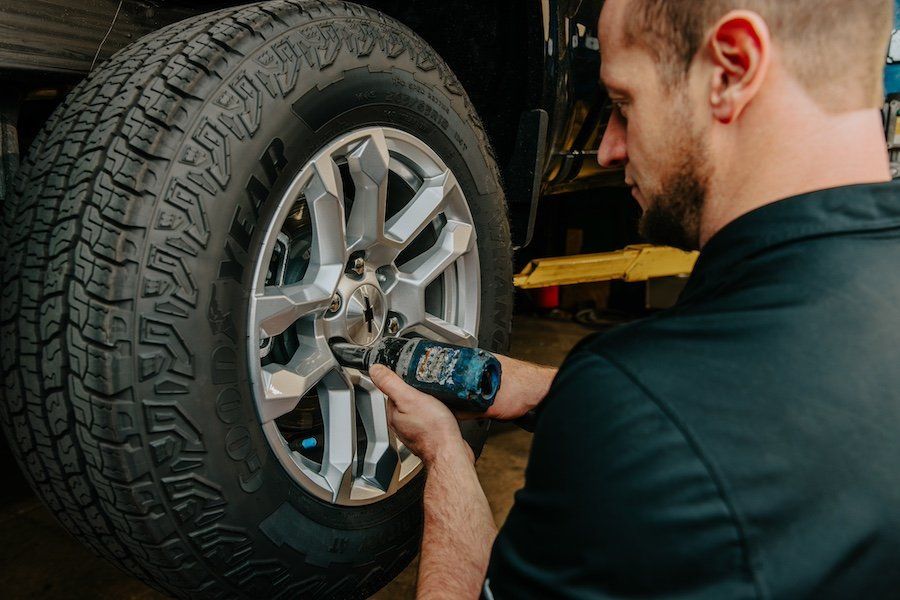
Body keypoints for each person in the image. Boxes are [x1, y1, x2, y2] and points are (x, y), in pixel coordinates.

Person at [371, 0, 899, 597]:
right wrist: (553, 391)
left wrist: (446, 455)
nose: (609, 150)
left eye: (623, 105)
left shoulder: (636, 409)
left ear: (730, 69)